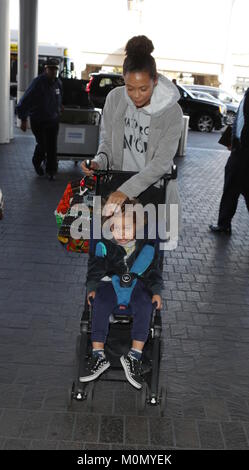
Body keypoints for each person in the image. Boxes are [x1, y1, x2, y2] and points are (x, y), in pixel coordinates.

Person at [81, 35, 182, 226]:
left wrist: (126, 191)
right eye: (130, 88)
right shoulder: (115, 99)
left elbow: (162, 162)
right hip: (117, 186)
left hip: (154, 189)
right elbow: (108, 143)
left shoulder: (172, 111)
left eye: (143, 88)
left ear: (155, 81)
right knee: (111, 249)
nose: (136, 95)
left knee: (148, 251)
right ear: (123, 81)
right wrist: (98, 162)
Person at [80, 197, 163, 390]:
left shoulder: (145, 247)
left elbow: (153, 272)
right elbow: (96, 267)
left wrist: (156, 292)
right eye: (116, 228)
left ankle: (134, 355)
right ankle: (98, 354)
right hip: (110, 284)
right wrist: (92, 287)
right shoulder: (105, 245)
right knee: (100, 302)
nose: (122, 233)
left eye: (127, 228)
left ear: (137, 227)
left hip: (137, 286)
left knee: (145, 305)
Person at [210, 88, 249, 234]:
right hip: (239, 149)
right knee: (233, 188)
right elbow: (241, 121)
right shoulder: (247, 93)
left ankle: (224, 224)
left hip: (243, 152)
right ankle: (224, 224)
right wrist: (233, 140)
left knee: (231, 188)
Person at [16, 58, 62, 180]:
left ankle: (51, 171)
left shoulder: (58, 83)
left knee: (52, 147)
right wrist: (23, 119)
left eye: (55, 69)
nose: (53, 71)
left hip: (53, 120)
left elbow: (59, 99)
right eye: (51, 68)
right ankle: (36, 162)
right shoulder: (38, 83)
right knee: (43, 145)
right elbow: (24, 101)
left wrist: (59, 111)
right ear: (45, 69)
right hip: (39, 120)